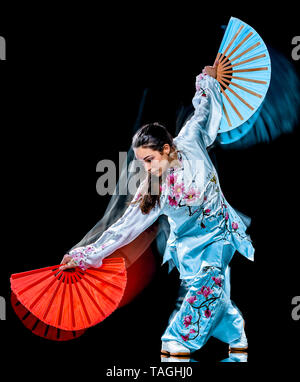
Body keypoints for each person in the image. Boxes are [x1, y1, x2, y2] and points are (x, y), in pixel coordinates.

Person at [60, 62, 254, 357]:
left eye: (149, 160)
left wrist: (209, 82)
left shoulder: (191, 140)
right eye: (141, 163)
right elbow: (123, 228)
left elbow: (205, 110)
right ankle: (234, 329)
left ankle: (178, 340)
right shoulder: (154, 189)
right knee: (211, 292)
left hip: (220, 232)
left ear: (166, 148)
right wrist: (82, 256)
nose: (146, 168)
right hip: (189, 247)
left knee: (209, 279)